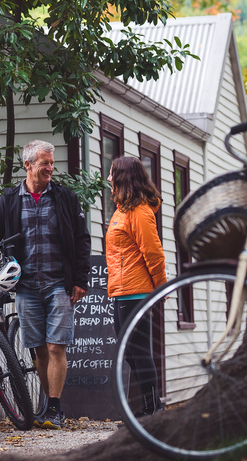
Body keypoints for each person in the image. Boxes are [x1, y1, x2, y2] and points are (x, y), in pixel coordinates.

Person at [0, 140, 91, 429]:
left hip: (58, 285)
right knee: (38, 349)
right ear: (27, 165)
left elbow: (81, 240)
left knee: (56, 347)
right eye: (44, 163)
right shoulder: (11, 200)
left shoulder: (65, 198)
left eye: (52, 163)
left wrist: (80, 280)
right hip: (25, 287)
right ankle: (45, 405)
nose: (50, 168)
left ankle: (54, 408)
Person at [105, 156, 166, 416]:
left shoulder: (140, 211)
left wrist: (161, 288)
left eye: (112, 174)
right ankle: (149, 407)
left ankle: (153, 410)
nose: (108, 179)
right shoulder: (123, 210)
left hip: (138, 292)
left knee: (139, 353)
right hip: (121, 291)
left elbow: (153, 252)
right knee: (129, 352)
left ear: (123, 178)